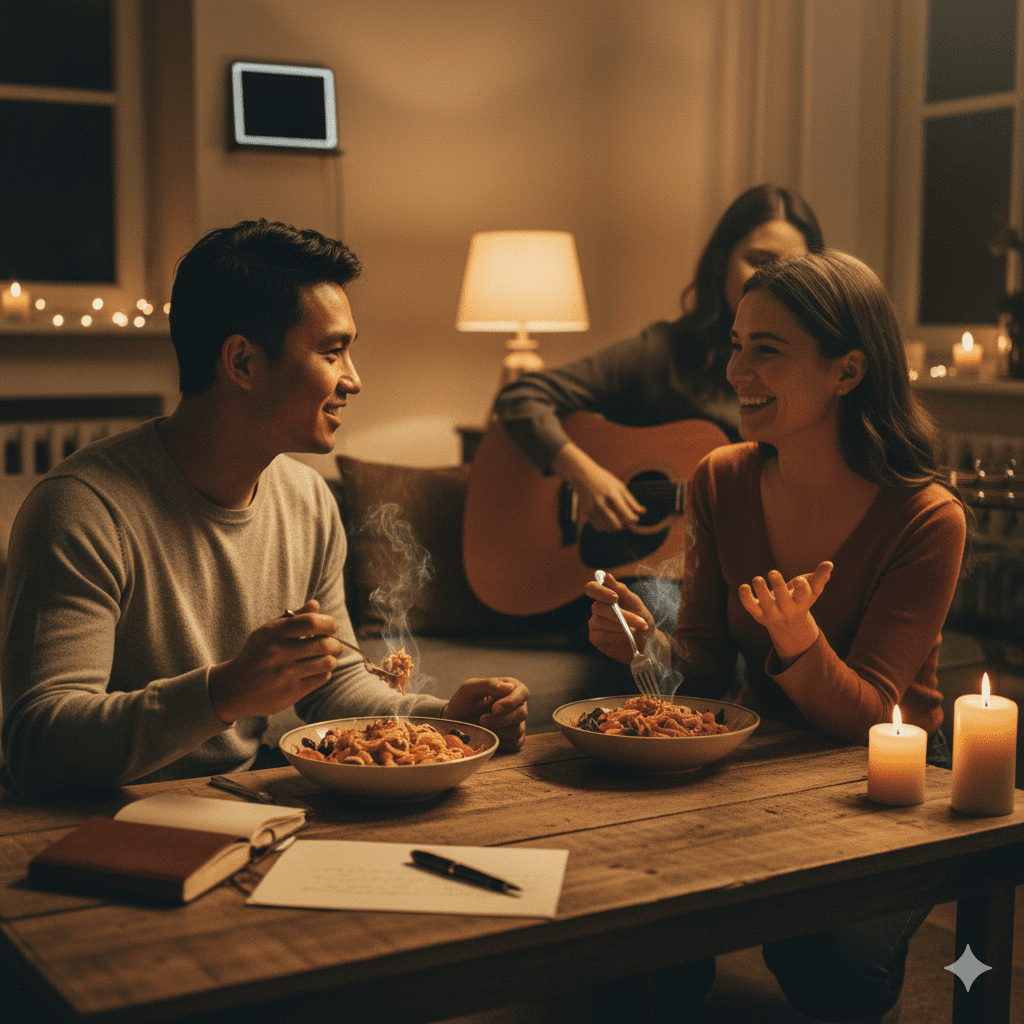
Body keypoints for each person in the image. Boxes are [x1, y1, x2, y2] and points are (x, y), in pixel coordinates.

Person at [0, 220, 528, 797]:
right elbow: (37, 746)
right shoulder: (81, 511)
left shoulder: (307, 500)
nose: (354, 379)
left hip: (238, 800)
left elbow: (334, 680)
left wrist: (443, 716)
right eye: (333, 352)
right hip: (99, 822)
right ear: (243, 363)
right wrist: (223, 693)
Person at [586, 249, 968, 1023]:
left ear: (847, 371)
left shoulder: (927, 518)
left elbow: (873, 718)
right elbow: (702, 666)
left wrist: (799, 644)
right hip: (758, 763)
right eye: (736, 344)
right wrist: (645, 651)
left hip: (886, 781)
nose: (737, 371)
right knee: (617, 944)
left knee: (830, 972)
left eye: (767, 350)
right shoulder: (721, 479)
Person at [495, 184, 823, 536]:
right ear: (721, 263)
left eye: (793, 269)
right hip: (636, 564)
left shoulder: (813, 373)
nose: (772, 281)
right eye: (759, 261)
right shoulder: (661, 352)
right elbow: (521, 397)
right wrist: (585, 476)